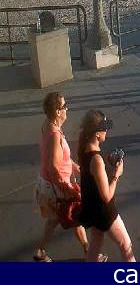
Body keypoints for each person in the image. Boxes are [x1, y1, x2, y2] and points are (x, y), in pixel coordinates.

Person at [34, 92, 92, 262]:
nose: (67, 108)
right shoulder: (55, 135)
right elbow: (53, 167)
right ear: (58, 111)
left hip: (46, 183)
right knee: (75, 216)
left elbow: (61, 158)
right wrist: (68, 189)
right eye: (65, 106)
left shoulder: (48, 125)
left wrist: (77, 168)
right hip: (57, 186)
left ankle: (40, 252)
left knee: (54, 220)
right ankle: (91, 254)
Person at [77, 110, 136, 262]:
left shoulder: (84, 148)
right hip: (104, 211)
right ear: (97, 134)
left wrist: (106, 164)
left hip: (92, 208)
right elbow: (106, 196)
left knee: (95, 243)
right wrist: (116, 175)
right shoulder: (96, 160)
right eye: (104, 128)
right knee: (125, 245)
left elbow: (92, 175)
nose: (106, 131)